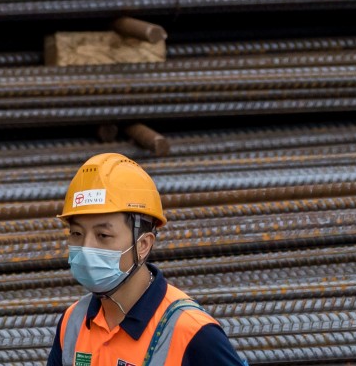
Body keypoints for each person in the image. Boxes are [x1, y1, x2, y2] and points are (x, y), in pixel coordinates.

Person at [46, 153, 247, 366]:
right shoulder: (74, 322)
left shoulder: (192, 333)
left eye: (103, 236)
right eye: (77, 234)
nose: (86, 248)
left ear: (143, 245)